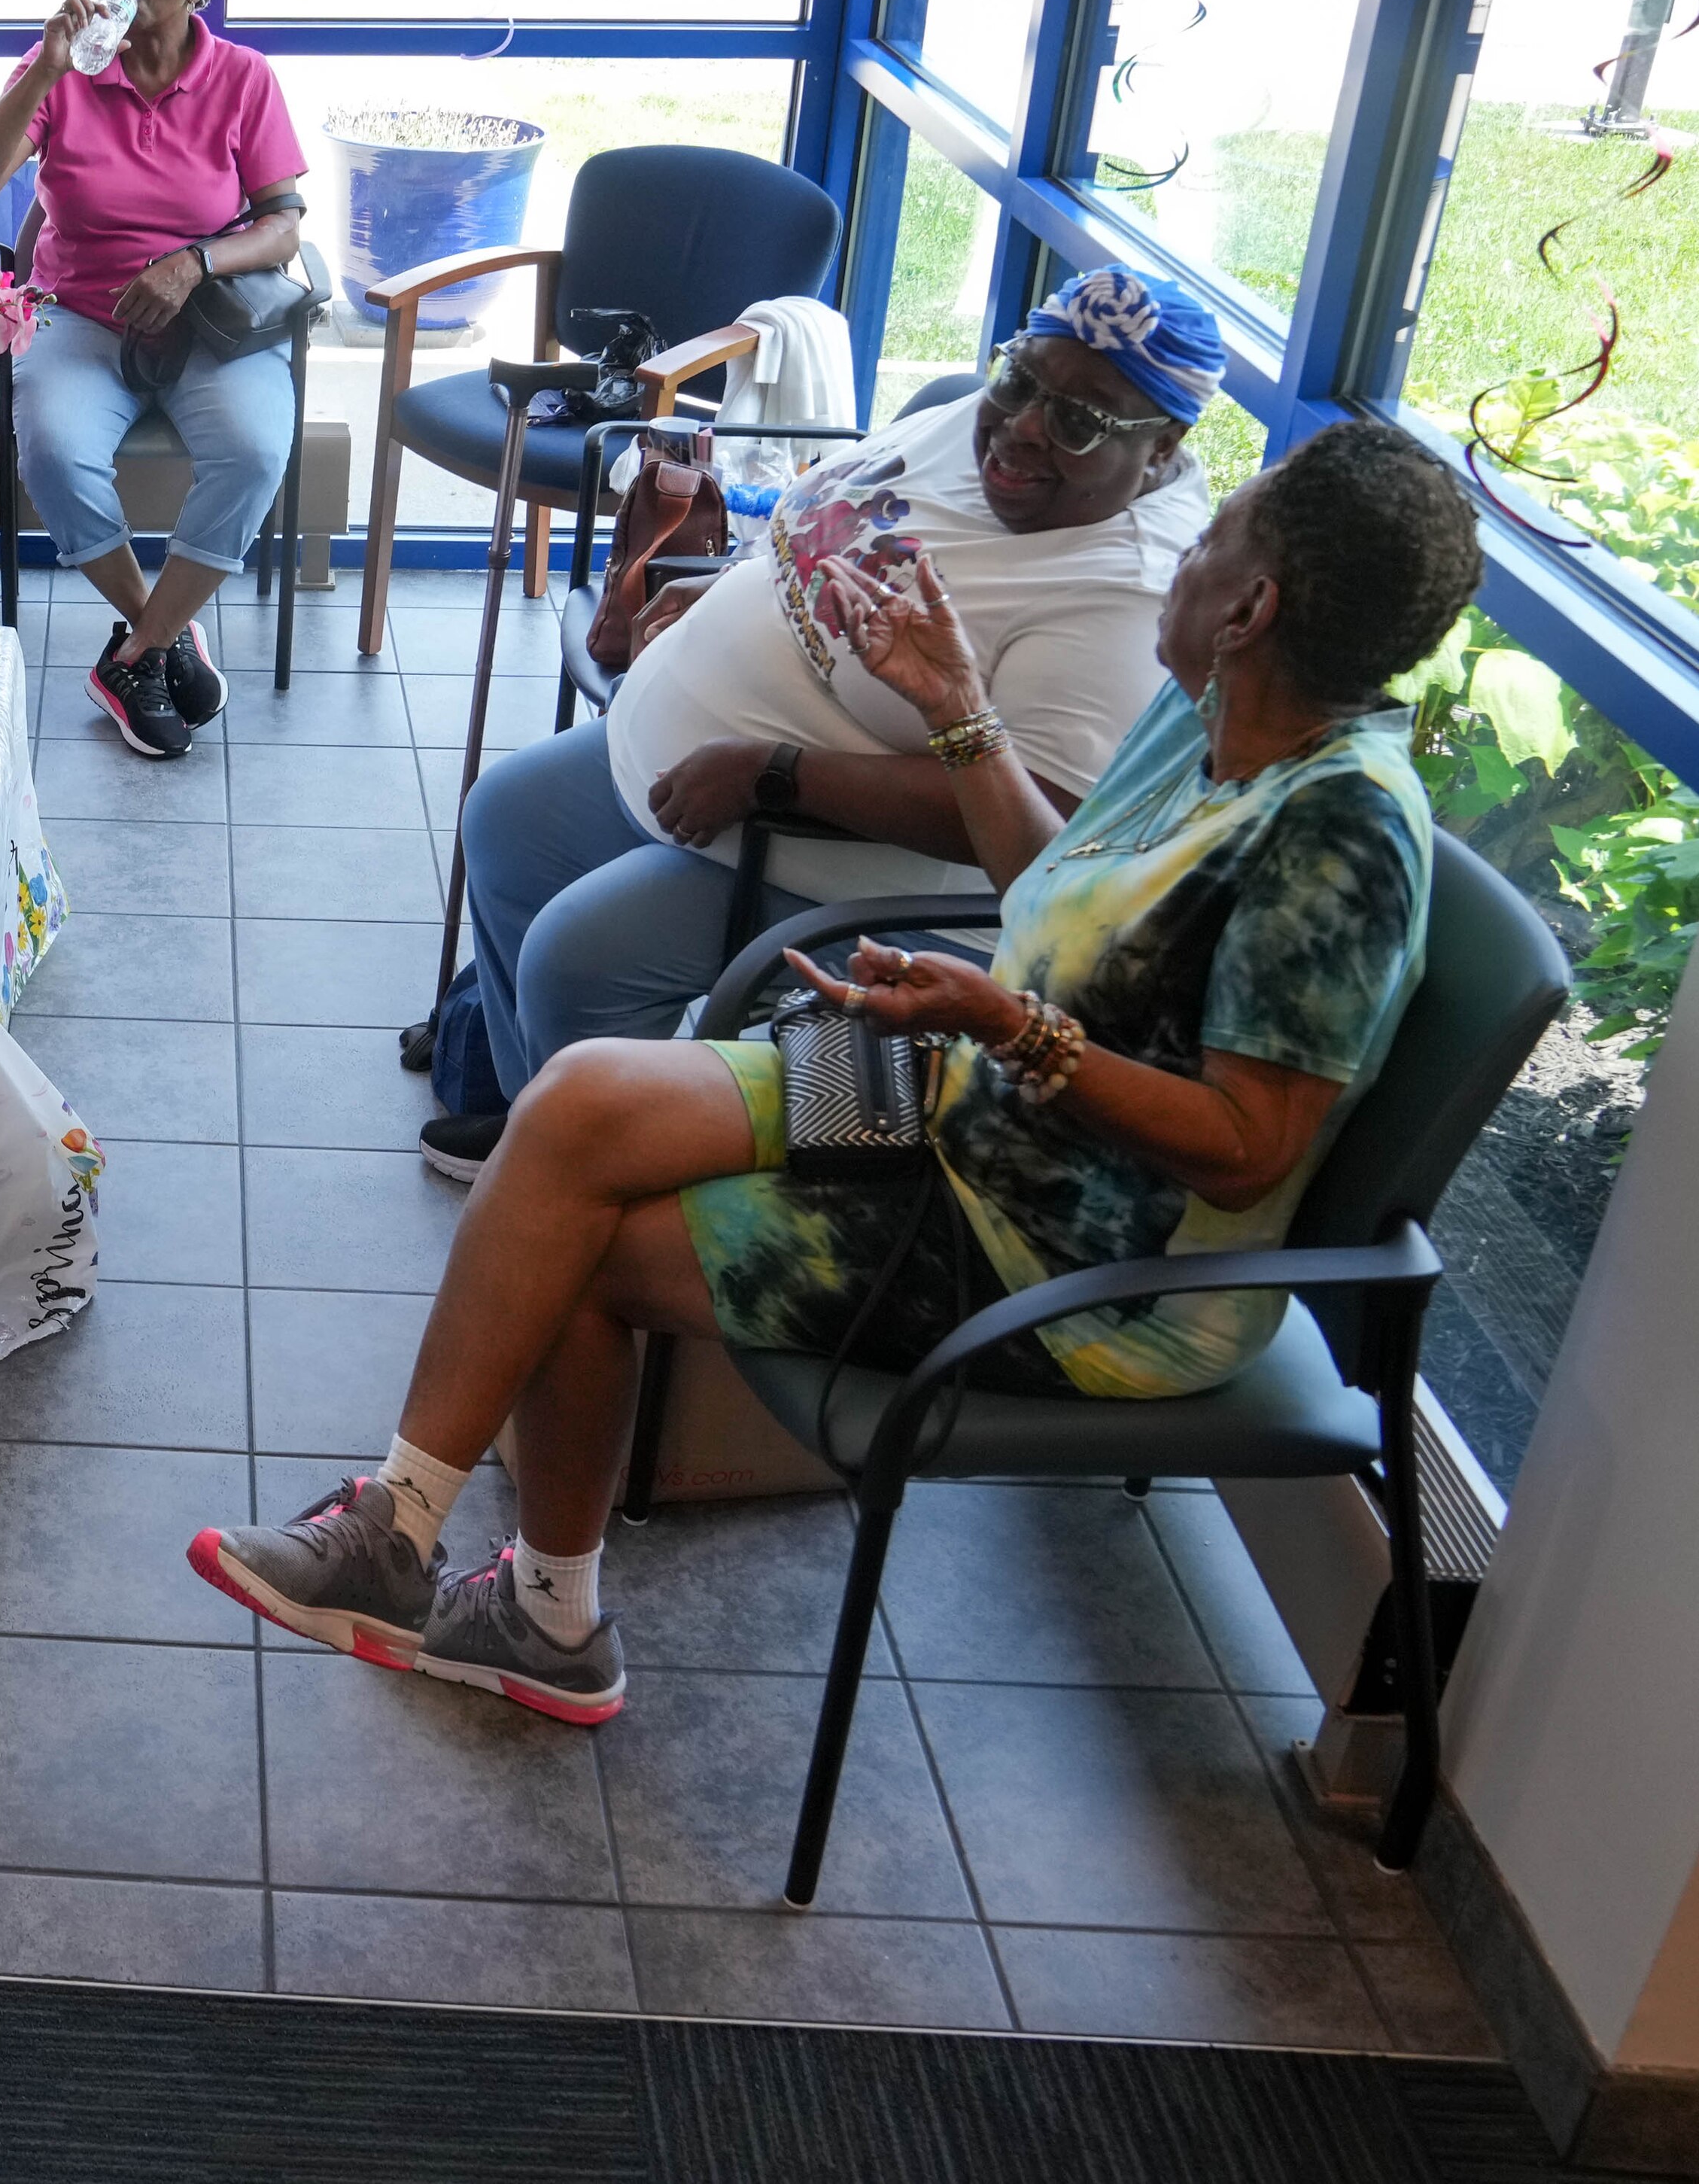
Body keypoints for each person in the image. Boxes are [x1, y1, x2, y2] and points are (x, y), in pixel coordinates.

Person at [190, 421, 1479, 1724]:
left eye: (1209, 543)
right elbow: (1059, 894)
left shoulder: (1342, 835)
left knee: (572, 1243)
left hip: (1075, 1263)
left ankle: (539, 1611)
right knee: (578, 1100)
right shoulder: (1203, 712)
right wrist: (959, 712)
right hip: (965, 1101)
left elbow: (1249, 1144)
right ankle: (401, 1535)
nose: (1184, 559)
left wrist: (1007, 1022)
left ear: (1252, 606)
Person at [425, 266, 1231, 1182]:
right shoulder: (975, 436)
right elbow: (837, 518)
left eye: (1081, 420)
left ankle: (586, 1202)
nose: (1022, 428)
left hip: (825, 854)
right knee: (504, 820)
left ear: (1162, 446)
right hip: (717, 785)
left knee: (580, 960)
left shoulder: (1122, 592)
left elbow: (1033, 820)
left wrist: (776, 771)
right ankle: (538, 1118)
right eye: (1019, 380)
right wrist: (731, 576)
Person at [0, 0, 307, 760]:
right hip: (80, 312)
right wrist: (44, 70)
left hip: (206, 320)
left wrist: (193, 263)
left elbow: (284, 225)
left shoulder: (242, 78)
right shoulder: (62, 67)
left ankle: (133, 656)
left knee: (255, 450)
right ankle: (158, 635)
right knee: (56, 452)